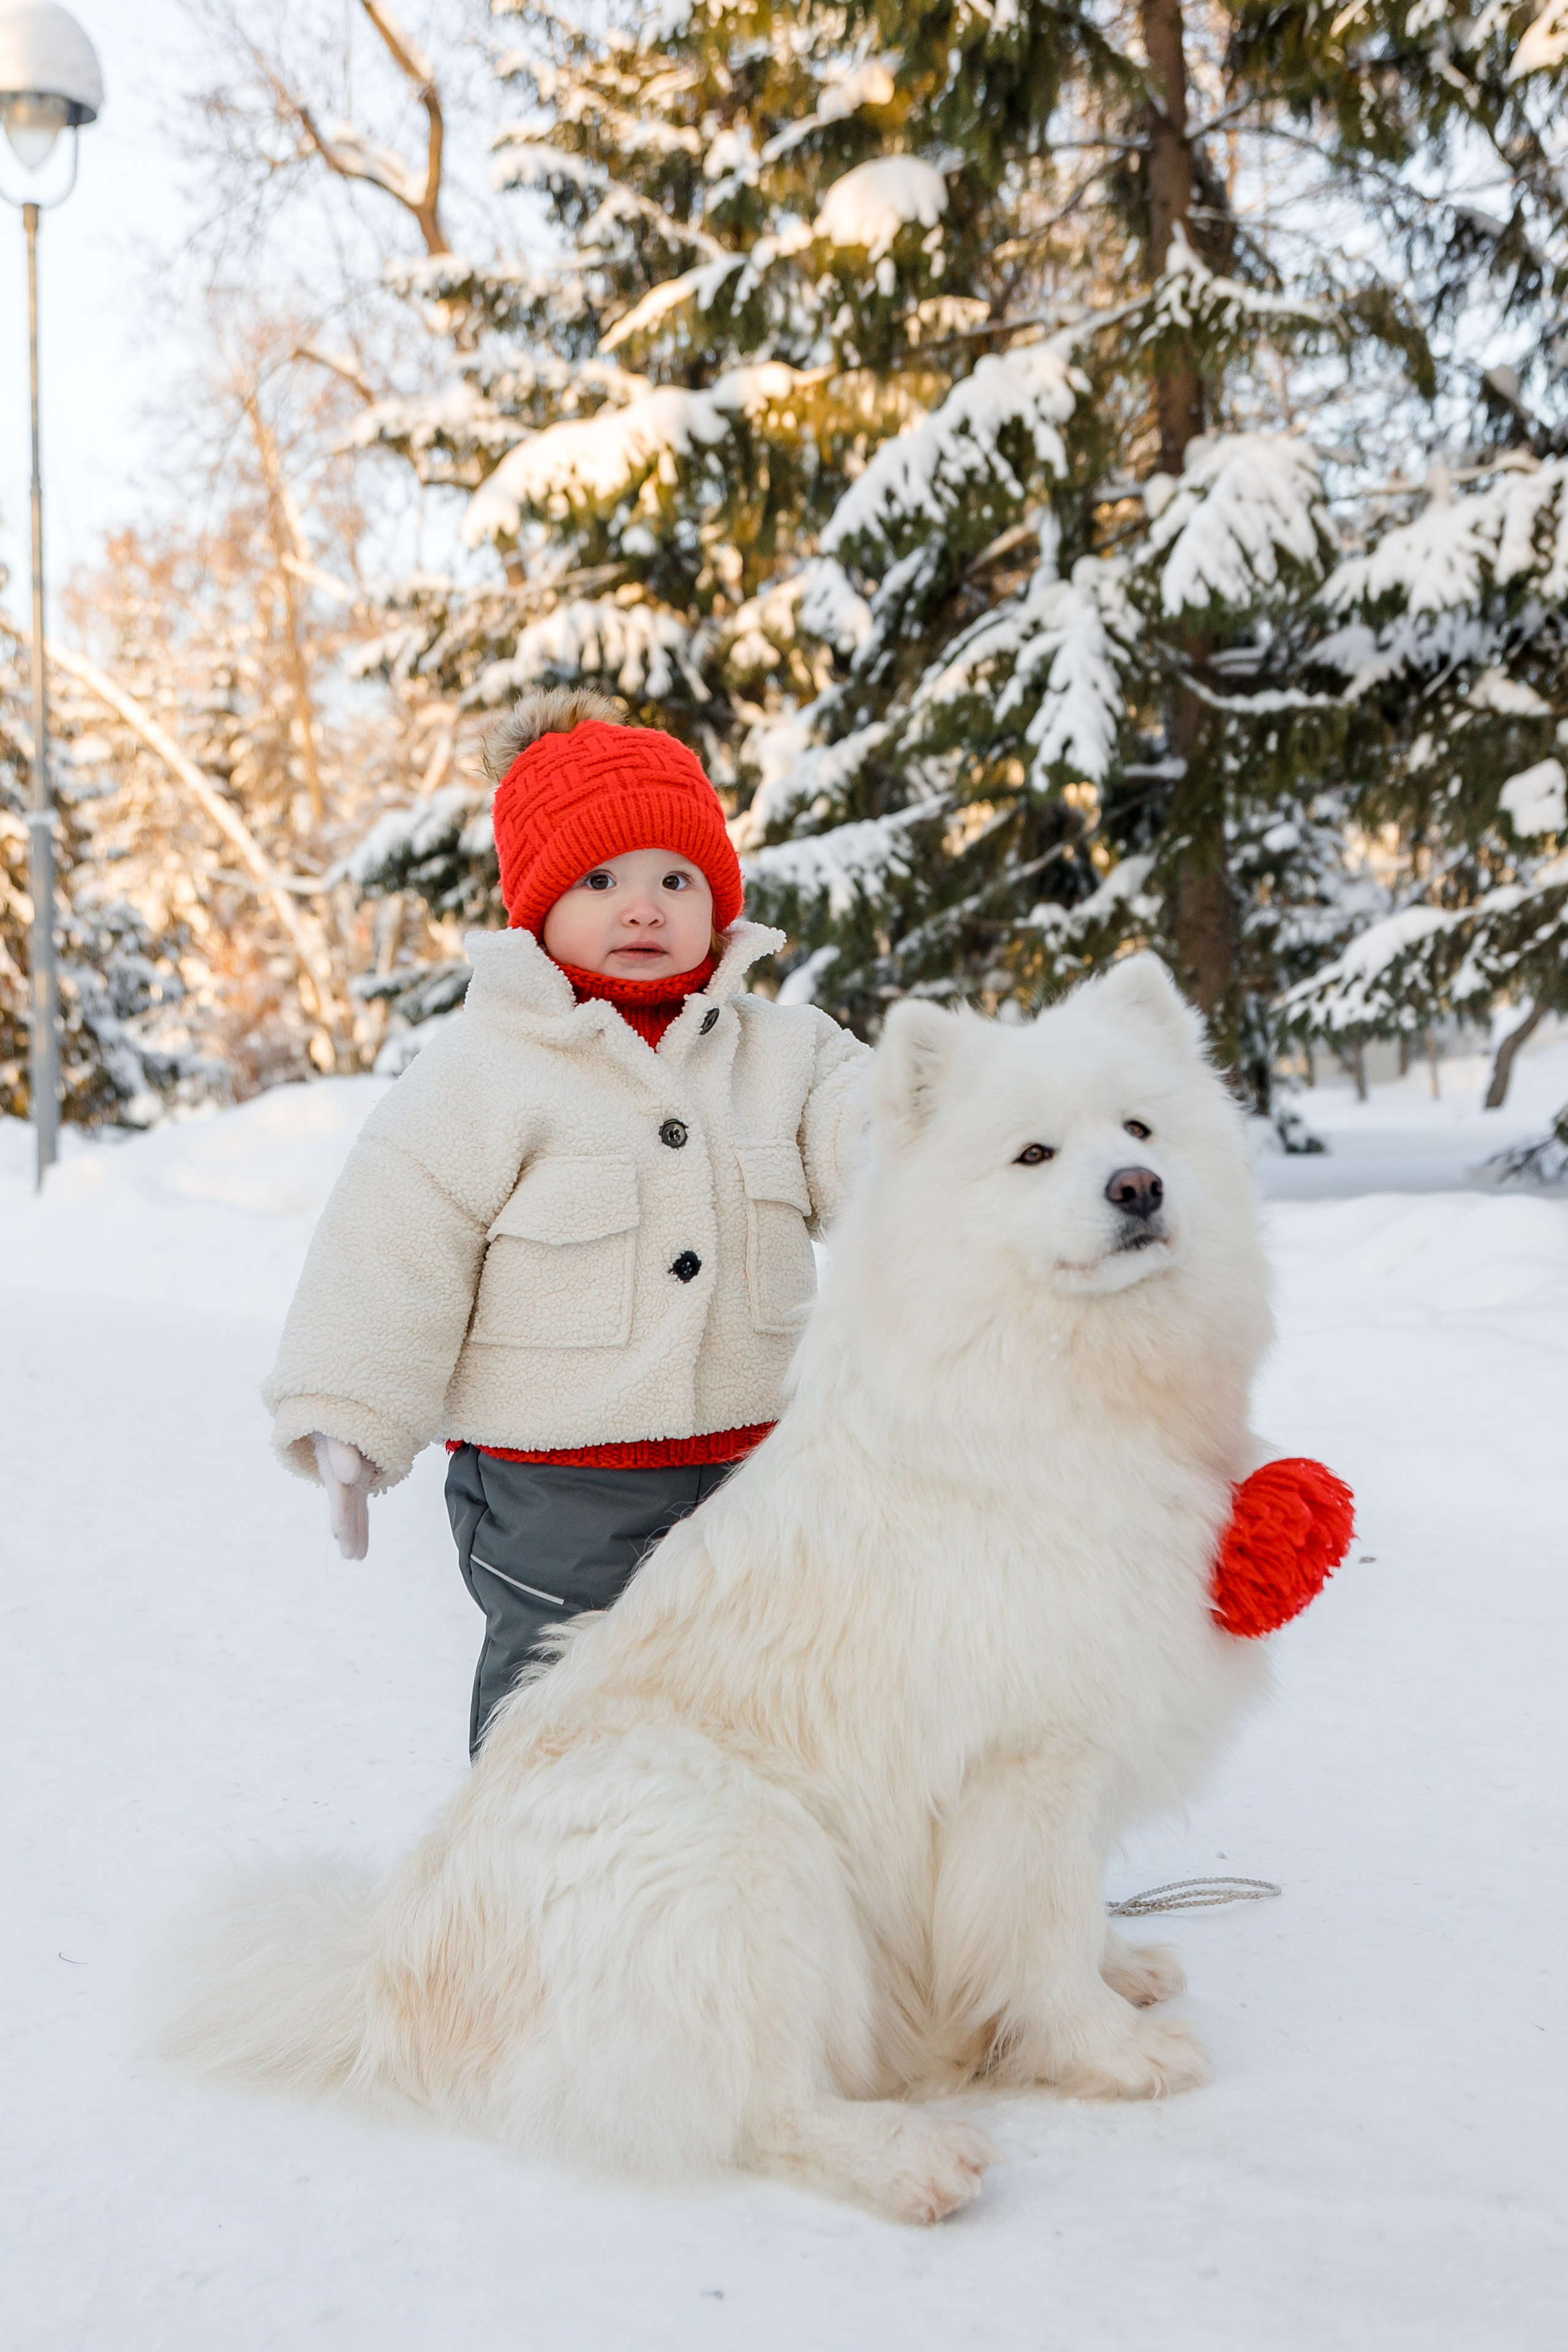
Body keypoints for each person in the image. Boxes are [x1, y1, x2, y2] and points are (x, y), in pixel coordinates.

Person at [263, 687, 869, 1755]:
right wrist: (351, 1409)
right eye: (601, 881)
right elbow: (396, 1240)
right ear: (536, 906)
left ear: (718, 902)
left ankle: (750, 1882)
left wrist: (962, 1161)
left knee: (771, 1684)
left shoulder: (789, 1054)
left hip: (764, 1465)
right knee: (566, 1694)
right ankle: (531, 1882)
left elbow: (876, 1137)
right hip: (559, 1485)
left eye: (675, 880)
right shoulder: (487, 1073)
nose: (643, 908)